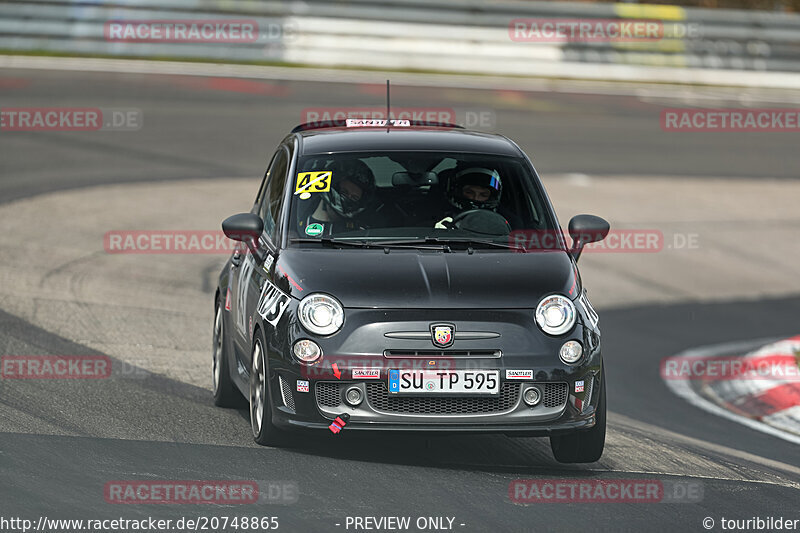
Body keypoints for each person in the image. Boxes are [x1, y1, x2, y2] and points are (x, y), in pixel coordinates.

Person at [299, 159, 376, 236]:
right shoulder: (297, 225)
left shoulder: (360, 233)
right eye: (344, 192)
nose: (347, 198)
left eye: (354, 197)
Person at [435, 167, 510, 234]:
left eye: (483, 195)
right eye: (469, 192)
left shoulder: (507, 221)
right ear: (457, 192)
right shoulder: (438, 215)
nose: (476, 198)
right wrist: (438, 233)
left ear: (492, 197)